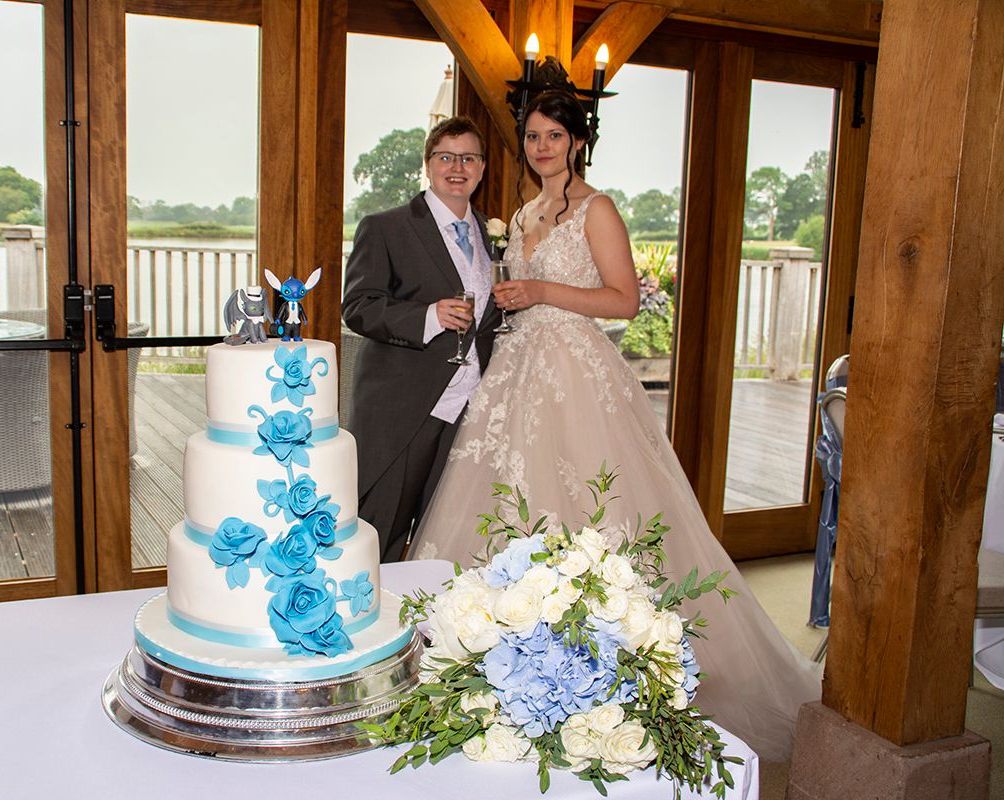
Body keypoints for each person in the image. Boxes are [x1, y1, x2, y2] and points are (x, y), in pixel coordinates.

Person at [409, 90, 821, 762]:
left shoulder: (598, 209)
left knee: (596, 512)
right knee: (508, 506)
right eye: (534, 137)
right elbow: (513, 287)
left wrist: (541, 292)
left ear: (576, 142)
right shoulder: (523, 212)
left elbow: (624, 299)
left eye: (554, 136)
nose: (543, 147)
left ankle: (613, 671)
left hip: (576, 371)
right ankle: (508, 672)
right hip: (518, 370)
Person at [342, 116, 501, 563]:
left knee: (441, 537)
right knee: (379, 536)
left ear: (482, 168)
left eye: (468, 157)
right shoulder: (386, 227)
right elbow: (359, 307)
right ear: (428, 165)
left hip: (470, 412)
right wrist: (428, 315)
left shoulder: (497, 235)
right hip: (403, 409)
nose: (457, 166)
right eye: (446, 157)